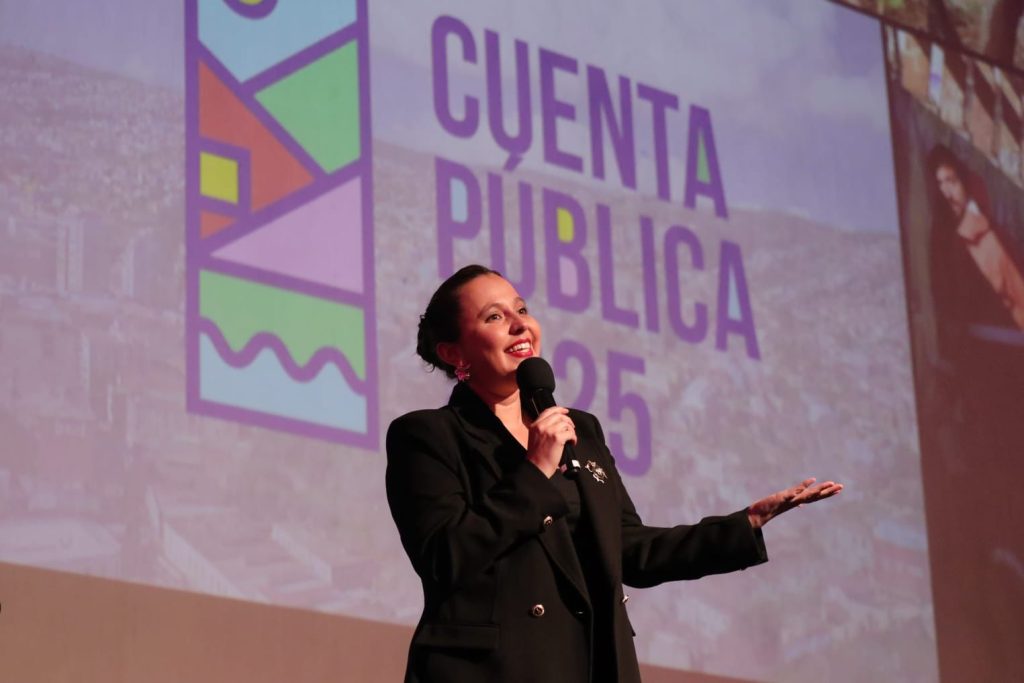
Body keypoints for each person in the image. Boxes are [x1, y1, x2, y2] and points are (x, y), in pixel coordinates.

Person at [385, 265, 843, 683]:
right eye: (494, 317)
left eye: (521, 310)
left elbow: (630, 550)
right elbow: (445, 556)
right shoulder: (428, 436)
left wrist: (746, 523)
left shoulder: (580, 429)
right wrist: (535, 470)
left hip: (594, 664)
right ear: (454, 353)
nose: (520, 325)